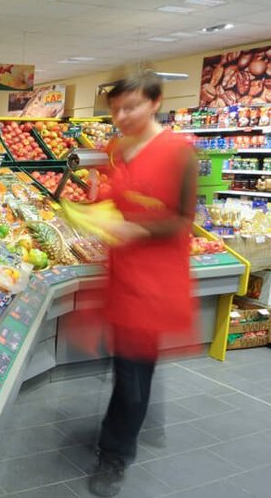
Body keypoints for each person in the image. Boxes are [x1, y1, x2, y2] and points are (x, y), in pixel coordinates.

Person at [88, 71, 198, 497]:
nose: (121, 116)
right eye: (115, 109)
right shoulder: (118, 148)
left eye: (130, 107)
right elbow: (114, 198)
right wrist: (94, 214)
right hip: (120, 274)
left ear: (155, 102)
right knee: (130, 364)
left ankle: (114, 456)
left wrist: (139, 231)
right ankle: (140, 420)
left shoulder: (179, 152)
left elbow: (183, 219)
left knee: (131, 370)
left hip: (153, 279)